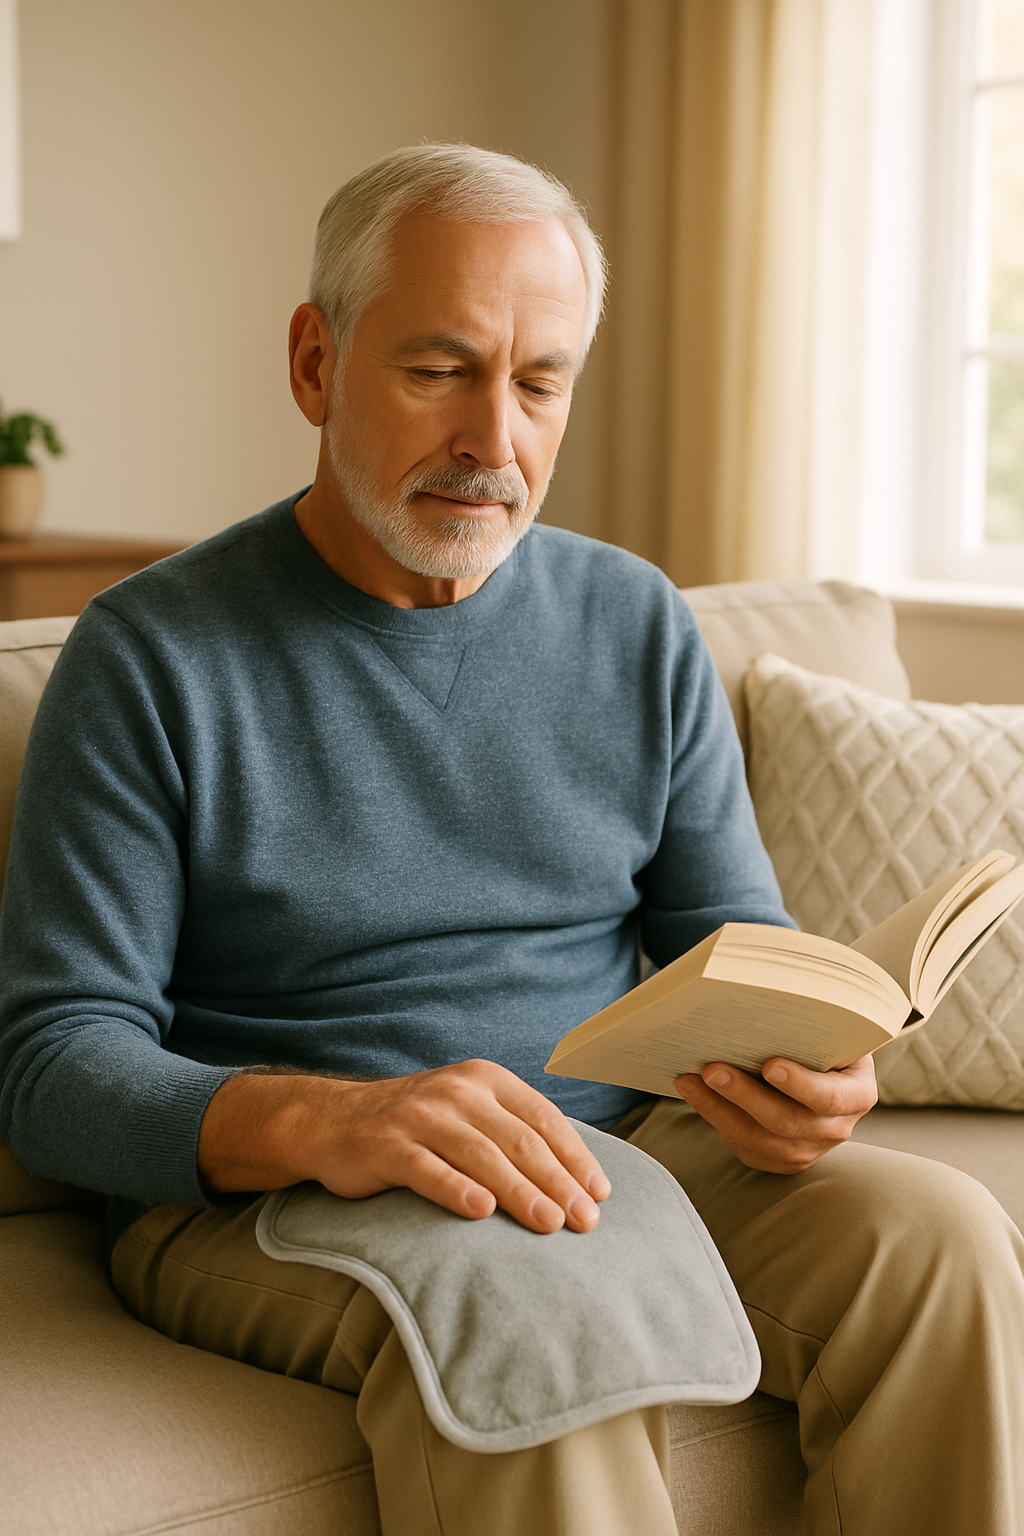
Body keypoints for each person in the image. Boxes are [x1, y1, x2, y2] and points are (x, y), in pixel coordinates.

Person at [0, 144, 1021, 1536]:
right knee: (530, 1316)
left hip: (609, 1142)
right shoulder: (150, 657)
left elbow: (734, 944)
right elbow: (54, 1068)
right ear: (315, 363)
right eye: (439, 369)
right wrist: (335, 1116)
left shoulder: (635, 622)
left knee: (944, 1240)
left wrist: (803, 1072)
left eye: (540, 383)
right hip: (285, 1194)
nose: (495, 439)